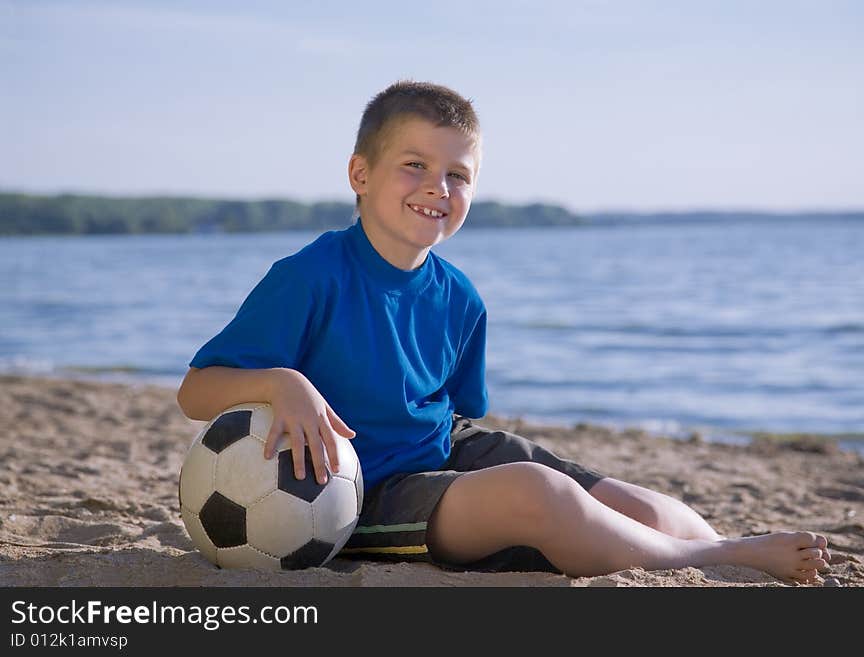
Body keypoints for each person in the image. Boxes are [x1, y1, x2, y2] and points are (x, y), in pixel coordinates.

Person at [177, 80, 830, 584]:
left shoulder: (461, 296)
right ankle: (712, 558)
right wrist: (283, 383)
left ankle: (715, 551)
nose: (438, 187)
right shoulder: (310, 276)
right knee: (538, 494)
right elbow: (195, 391)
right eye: (414, 165)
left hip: (445, 446)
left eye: (458, 175)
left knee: (642, 505)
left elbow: (457, 411)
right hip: (354, 487)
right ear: (360, 174)